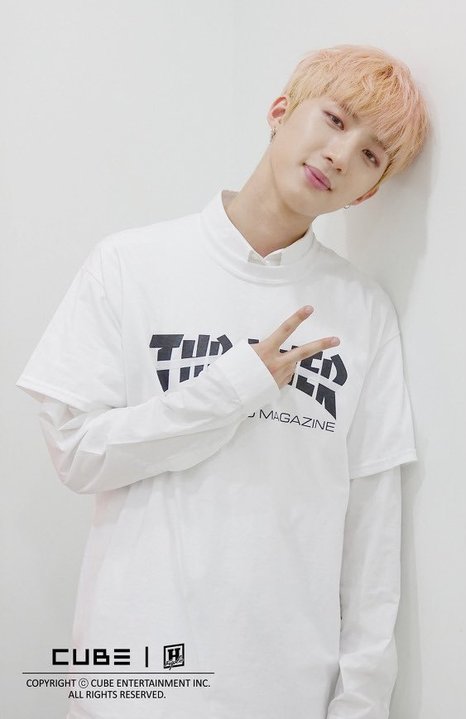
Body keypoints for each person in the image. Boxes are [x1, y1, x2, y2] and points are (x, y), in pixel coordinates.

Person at [16, 43, 430, 719]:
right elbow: (78, 452)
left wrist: (360, 705)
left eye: (370, 155)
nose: (339, 155)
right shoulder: (131, 264)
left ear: (370, 191)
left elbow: (372, 534)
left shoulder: (363, 312)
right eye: (334, 119)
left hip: (281, 692)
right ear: (280, 111)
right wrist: (234, 386)